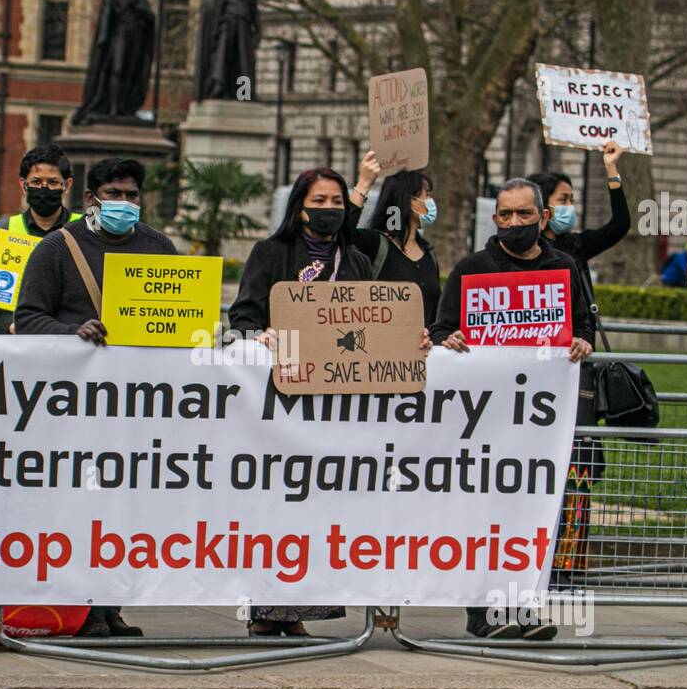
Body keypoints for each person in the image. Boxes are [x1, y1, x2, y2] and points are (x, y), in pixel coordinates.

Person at [230, 166, 429, 636]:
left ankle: (300, 612)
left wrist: (408, 341)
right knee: (278, 505)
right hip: (280, 405)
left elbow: (375, 328)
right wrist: (261, 337)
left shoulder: (356, 261)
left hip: (336, 407)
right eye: (318, 202)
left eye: (336, 203)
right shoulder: (270, 253)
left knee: (322, 510)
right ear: (299, 206)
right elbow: (241, 316)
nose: (328, 210)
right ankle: (266, 612)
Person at [15, 156, 175, 639]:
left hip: (136, 410)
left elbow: (187, 321)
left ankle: (109, 606)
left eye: (131, 195)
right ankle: (78, 609)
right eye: (114, 195)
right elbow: (27, 317)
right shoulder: (57, 249)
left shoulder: (159, 248)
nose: (123, 203)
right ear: (90, 199)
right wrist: (73, 332)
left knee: (125, 510)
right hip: (74, 412)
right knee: (79, 507)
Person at [432, 177, 594, 641]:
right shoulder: (472, 269)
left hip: (540, 422)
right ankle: (482, 613)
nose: (515, 223)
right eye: (506, 215)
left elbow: (581, 322)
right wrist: (450, 339)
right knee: (483, 513)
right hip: (482, 419)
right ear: (495, 218)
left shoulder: (564, 268)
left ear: (543, 218)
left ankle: (523, 606)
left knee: (531, 513)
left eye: (525, 215)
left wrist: (580, 339)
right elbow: (442, 327)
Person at [529, 147, 630, 580]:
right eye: (564, 199)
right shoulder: (524, 253)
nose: (570, 207)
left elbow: (620, 225)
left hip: (576, 367)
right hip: (535, 370)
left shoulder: (575, 247)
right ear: (543, 208)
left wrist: (612, 172)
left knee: (579, 462)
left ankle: (570, 560)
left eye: (571, 198)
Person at [0, 144, 81, 334]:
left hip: (71, 339)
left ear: (67, 185)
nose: (44, 188)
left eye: (53, 182)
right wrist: (10, 325)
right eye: (37, 181)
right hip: (16, 342)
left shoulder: (83, 230)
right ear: (24, 185)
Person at [345, 151, 442, 322]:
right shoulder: (374, 245)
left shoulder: (429, 255)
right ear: (409, 201)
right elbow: (342, 235)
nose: (431, 201)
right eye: (427, 194)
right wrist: (363, 183)